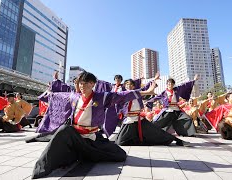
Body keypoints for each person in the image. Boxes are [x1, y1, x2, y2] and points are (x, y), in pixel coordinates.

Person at [28, 71, 157, 179]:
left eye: (85, 83)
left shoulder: (102, 97)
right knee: (64, 130)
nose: (82, 86)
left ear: (92, 84)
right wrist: (52, 87)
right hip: (76, 135)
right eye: (80, 83)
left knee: (120, 155)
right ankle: (41, 168)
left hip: (93, 137)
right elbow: (59, 96)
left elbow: (122, 95)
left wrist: (146, 92)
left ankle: (83, 153)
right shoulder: (74, 97)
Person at [115, 79, 188, 146]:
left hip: (139, 118)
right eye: (127, 84)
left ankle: (177, 140)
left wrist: (154, 80)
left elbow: (146, 88)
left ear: (134, 86)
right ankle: (139, 140)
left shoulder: (138, 93)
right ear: (125, 86)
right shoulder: (123, 94)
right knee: (120, 142)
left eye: (131, 84)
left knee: (157, 131)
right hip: (129, 120)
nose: (129, 86)